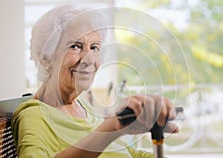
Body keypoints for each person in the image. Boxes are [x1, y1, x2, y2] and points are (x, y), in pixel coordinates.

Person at [11, 2, 179, 158]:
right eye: (75, 46)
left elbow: (128, 153)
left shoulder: (82, 106)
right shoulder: (34, 115)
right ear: (45, 57)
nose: (89, 59)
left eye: (94, 48)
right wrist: (112, 128)